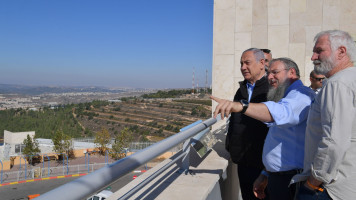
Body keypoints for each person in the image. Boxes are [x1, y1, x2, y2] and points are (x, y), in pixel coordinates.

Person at [211, 57, 315, 200]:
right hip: (277, 176)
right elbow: (278, 141)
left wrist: (241, 106)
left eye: (275, 72)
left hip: (290, 180)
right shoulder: (286, 95)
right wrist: (265, 174)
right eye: (269, 73)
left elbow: (280, 113)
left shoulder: (301, 95)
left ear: (291, 72)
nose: (270, 77)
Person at [291, 30, 356, 200]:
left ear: (341, 52)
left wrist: (312, 183)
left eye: (319, 51)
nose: (313, 57)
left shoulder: (337, 84)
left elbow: (334, 140)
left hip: (329, 188)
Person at [225, 48, 269, 200]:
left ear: (262, 63)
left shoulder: (272, 89)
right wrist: (231, 146)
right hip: (243, 160)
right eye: (241, 63)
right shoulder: (241, 89)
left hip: (265, 164)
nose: (243, 67)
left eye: (247, 63)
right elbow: (235, 122)